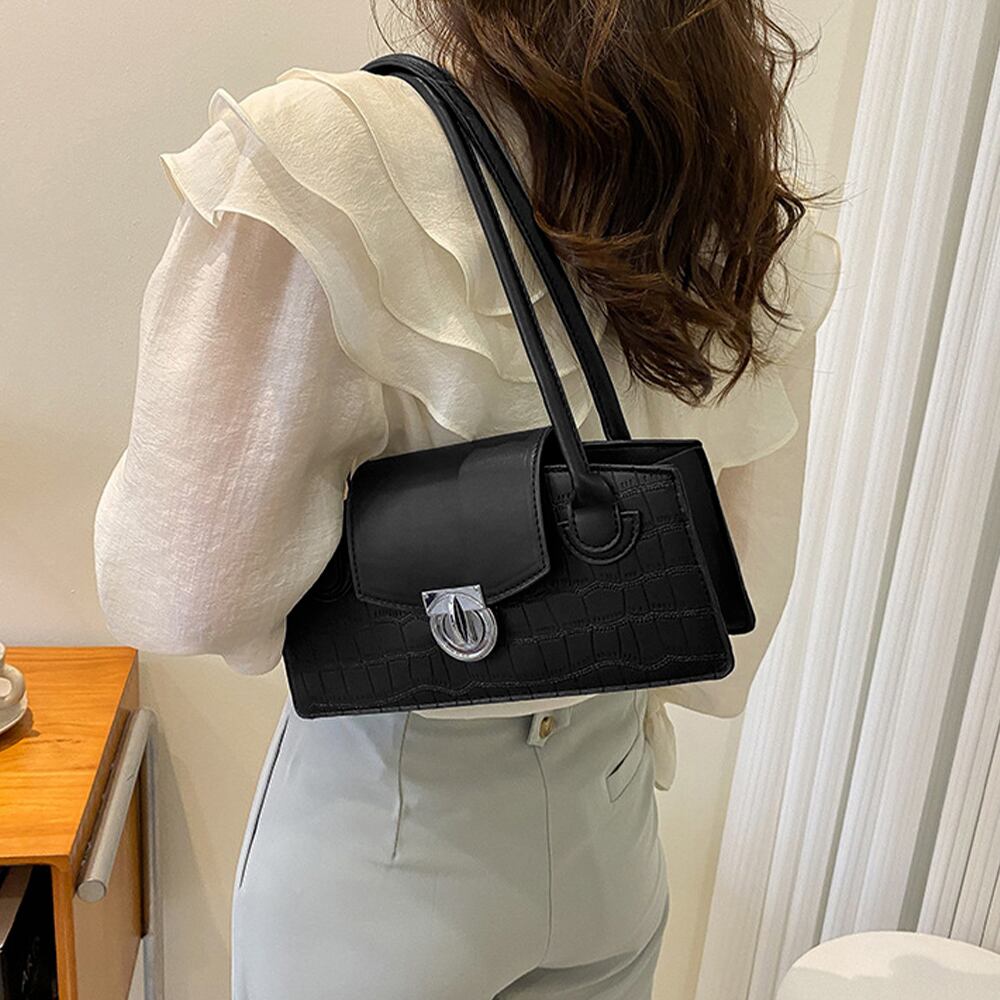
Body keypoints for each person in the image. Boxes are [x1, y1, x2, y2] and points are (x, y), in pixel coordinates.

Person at [93, 2, 841, 997]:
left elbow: (190, 589)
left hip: (392, 835)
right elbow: (739, 579)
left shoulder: (323, 155)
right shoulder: (730, 184)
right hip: (609, 820)